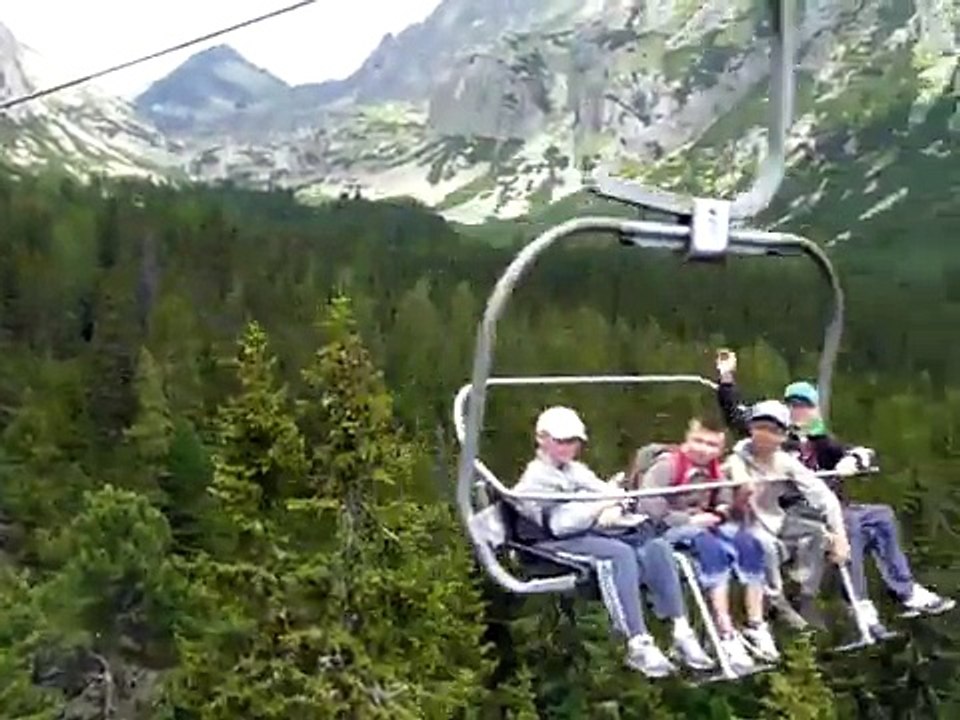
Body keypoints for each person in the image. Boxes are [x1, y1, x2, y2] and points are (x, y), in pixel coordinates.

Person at [717, 350, 955, 635]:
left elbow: (862, 452)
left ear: (815, 410)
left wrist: (853, 461)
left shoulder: (821, 441)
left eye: (805, 406)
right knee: (848, 523)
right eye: (793, 406)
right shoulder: (776, 437)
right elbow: (736, 414)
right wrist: (726, 375)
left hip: (831, 506)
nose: (799, 412)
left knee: (881, 515)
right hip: (796, 510)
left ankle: (905, 590)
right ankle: (859, 605)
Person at [511, 406, 714, 677]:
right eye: (561, 441)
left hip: (582, 531)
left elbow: (604, 492)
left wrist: (615, 501)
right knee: (619, 554)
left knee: (655, 545)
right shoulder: (537, 478)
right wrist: (603, 504)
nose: (568, 447)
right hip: (547, 542)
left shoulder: (573, 470)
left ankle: (680, 629)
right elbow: (560, 525)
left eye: (573, 441)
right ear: (542, 439)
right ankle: (637, 641)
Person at [625, 416, 779, 674]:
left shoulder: (716, 471)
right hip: (667, 529)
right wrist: (689, 519)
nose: (703, 449)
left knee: (748, 543)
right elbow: (648, 505)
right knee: (711, 549)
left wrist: (719, 512)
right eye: (698, 441)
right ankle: (725, 631)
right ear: (687, 438)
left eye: (711, 445)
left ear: (720, 449)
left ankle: (756, 624)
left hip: (706, 523)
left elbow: (724, 501)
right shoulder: (668, 465)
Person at [721, 399, 854, 637]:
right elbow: (738, 483)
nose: (765, 435)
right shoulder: (737, 459)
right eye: (759, 427)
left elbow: (823, 496)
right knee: (765, 546)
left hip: (773, 519)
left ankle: (804, 594)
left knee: (816, 532)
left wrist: (840, 535)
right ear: (751, 429)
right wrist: (743, 486)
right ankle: (776, 601)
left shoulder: (784, 462)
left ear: (782, 436)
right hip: (742, 524)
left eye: (773, 430)